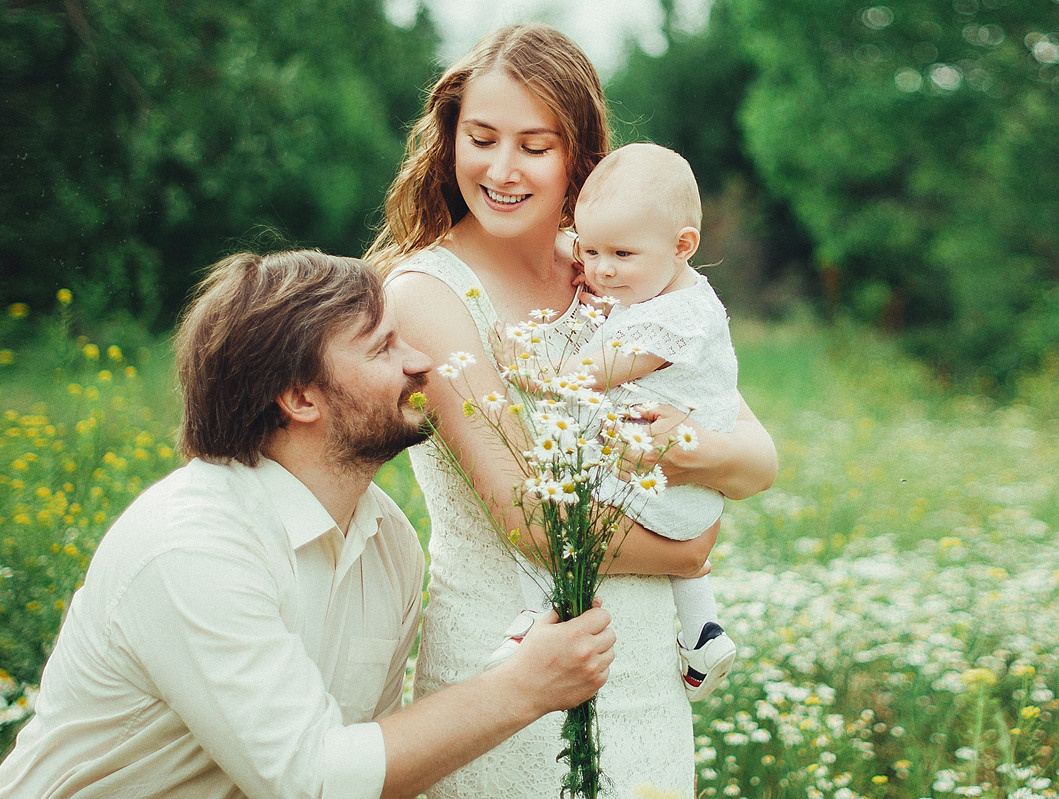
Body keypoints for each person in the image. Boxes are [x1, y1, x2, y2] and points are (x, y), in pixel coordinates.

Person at [0, 250, 615, 799]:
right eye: (383, 348)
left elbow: (370, 775)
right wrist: (523, 687)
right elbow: (312, 781)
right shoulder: (192, 545)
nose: (420, 360)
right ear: (299, 399)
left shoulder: (387, 538)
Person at [367, 23, 777, 798]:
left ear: (578, 154)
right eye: (481, 138)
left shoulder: (616, 265)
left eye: (534, 145)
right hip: (505, 669)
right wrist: (686, 550)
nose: (502, 168)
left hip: (645, 675)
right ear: (450, 139)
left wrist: (690, 453)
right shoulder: (428, 295)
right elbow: (529, 517)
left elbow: (757, 455)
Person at [507, 142, 740, 704]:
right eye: (589, 252)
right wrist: (606, 298)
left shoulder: (674, 318)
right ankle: (704, 632)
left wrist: (532, 369)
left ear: (683, 246)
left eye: (621, 255)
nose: (602, 269)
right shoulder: (668, 293)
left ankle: (530, 614)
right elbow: (621, 323)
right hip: (680, 482)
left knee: (551, 509)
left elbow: (598, 371)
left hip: (660, 475)